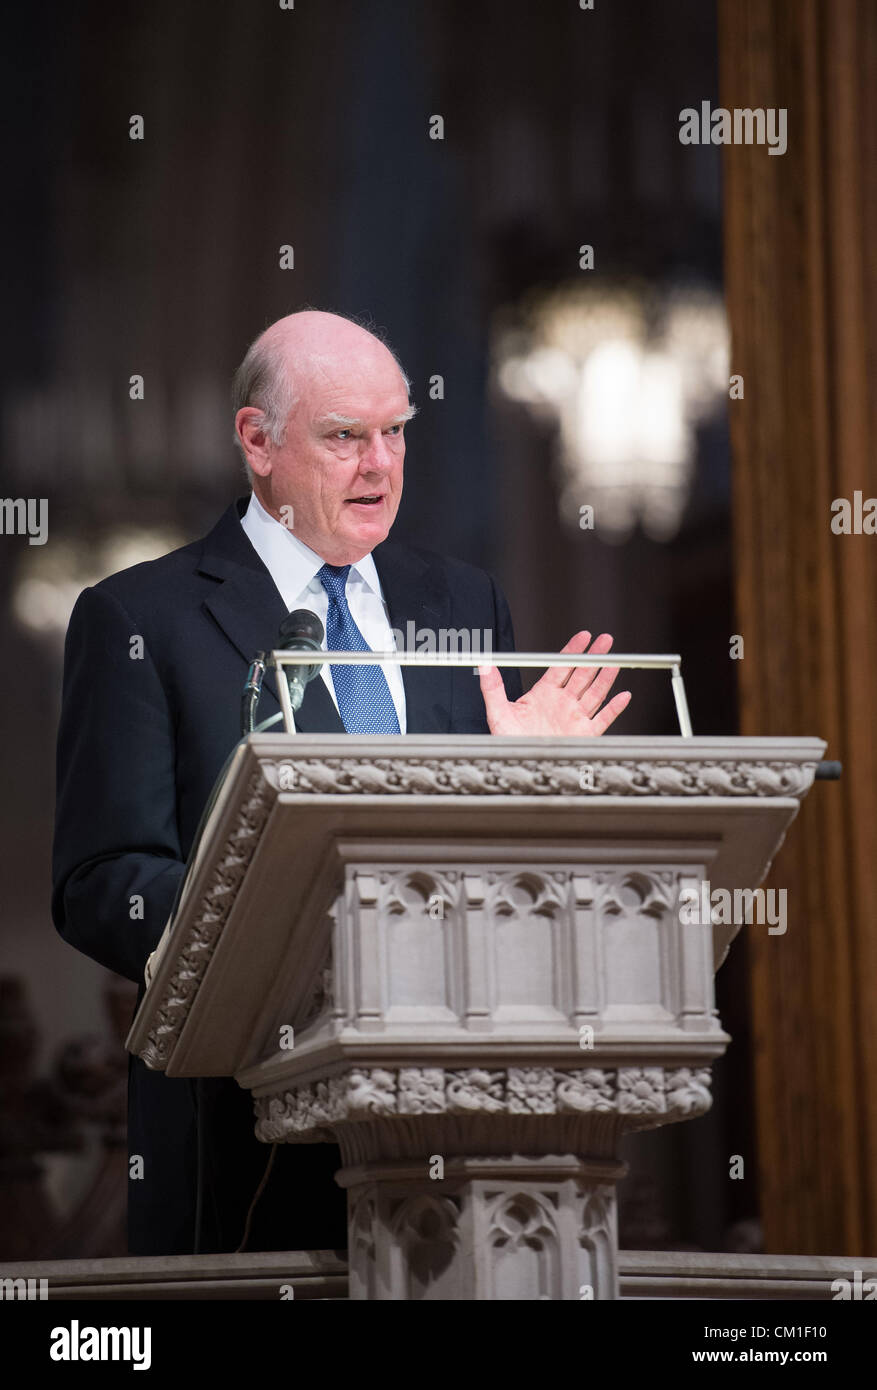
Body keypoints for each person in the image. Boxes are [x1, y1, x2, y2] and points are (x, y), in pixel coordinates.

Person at [52, 310, 631, 1256]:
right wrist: (276, 941)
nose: (380, 464)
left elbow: (481, 863)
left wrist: (530, 781)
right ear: (257, 441)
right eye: (343, 437)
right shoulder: (140, 618)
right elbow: (100, 880)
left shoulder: (461, 602)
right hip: (244, 1136)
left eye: (396, 431)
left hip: (463, 1124)